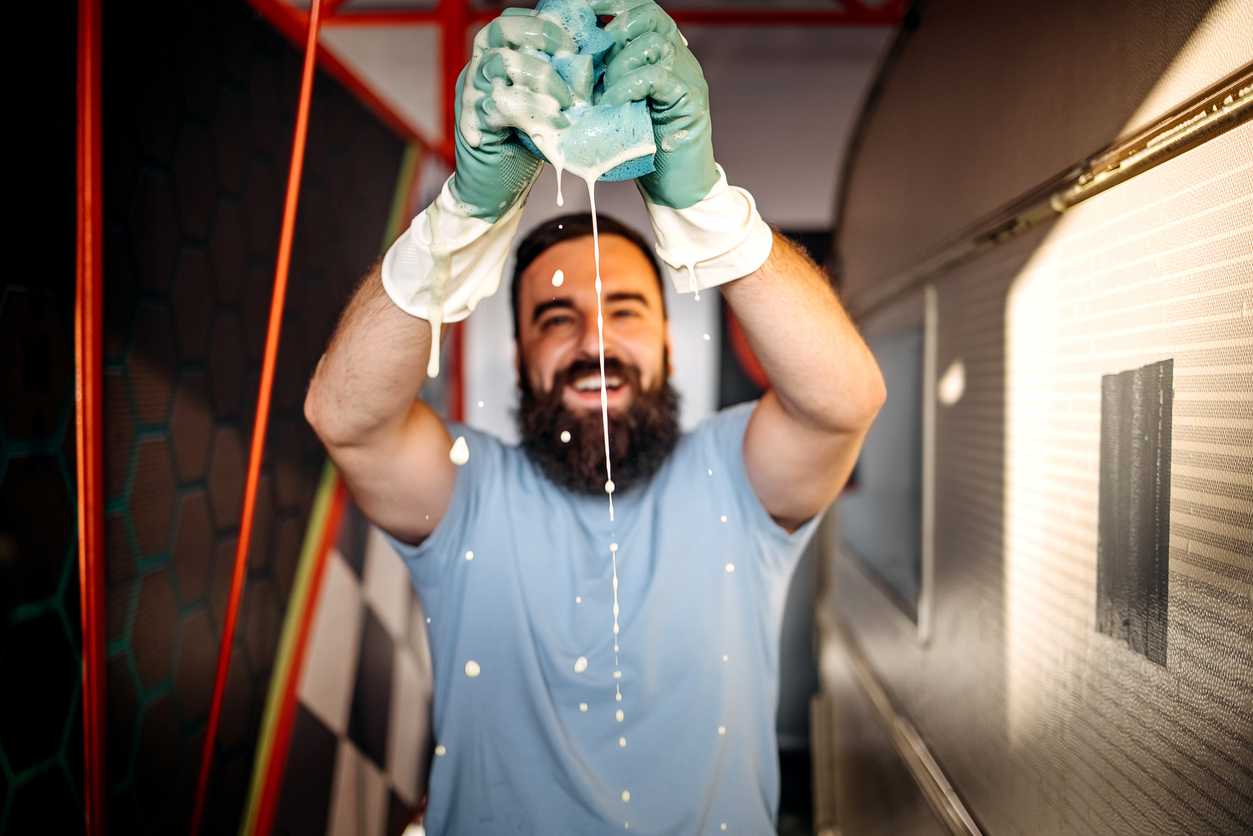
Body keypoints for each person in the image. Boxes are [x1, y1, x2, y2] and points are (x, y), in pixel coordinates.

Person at [304, 2, 885, 832]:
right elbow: (344, 417)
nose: (593, 341)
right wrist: (463, 218)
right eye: (555, 317)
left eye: (624, 311)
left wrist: (706, 210)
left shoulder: (733, 478)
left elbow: (844, 401)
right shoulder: (469, 494)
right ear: (522, 356)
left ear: (671, 346)